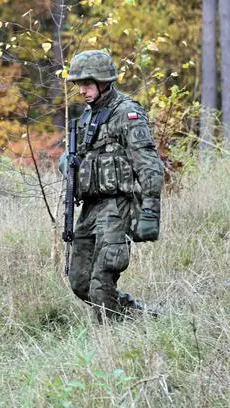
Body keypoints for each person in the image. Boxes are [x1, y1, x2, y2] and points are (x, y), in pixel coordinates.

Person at [61, 50, 164, 321]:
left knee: (101, 281)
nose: (81, 90)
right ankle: (139, 318)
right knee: (79, 281)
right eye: (78, 84)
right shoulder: (87, 117)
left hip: (118, 206)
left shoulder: (127, 113)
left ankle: (111, 342)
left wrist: (151, 212)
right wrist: (68, 163)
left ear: (103, 80)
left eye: (86, 83)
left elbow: (149, 165)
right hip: (91, 208)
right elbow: (80, 158)